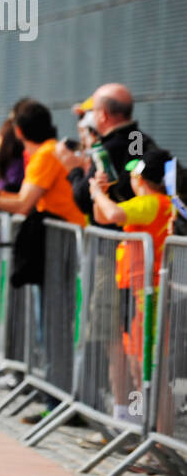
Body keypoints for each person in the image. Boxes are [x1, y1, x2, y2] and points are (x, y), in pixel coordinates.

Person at [90, 149, 176, 430]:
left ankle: (160, 440)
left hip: (146, 294)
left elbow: (112, 212)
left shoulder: (152, 203)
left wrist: (97, 192)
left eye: (134, 173)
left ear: (142, 177)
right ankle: (150, 437)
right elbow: (104, 218)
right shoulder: (148, 204)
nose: (130, 177)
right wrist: (99, 194)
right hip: (135, 292)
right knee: (140, 369)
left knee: (151, 371)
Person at [55, 83, 170, 229]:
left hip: (119, 235)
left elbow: (83, 199)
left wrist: (74, 169)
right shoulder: (139, 138)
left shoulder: (106, 150)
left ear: (102, 115)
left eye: (93, 111)